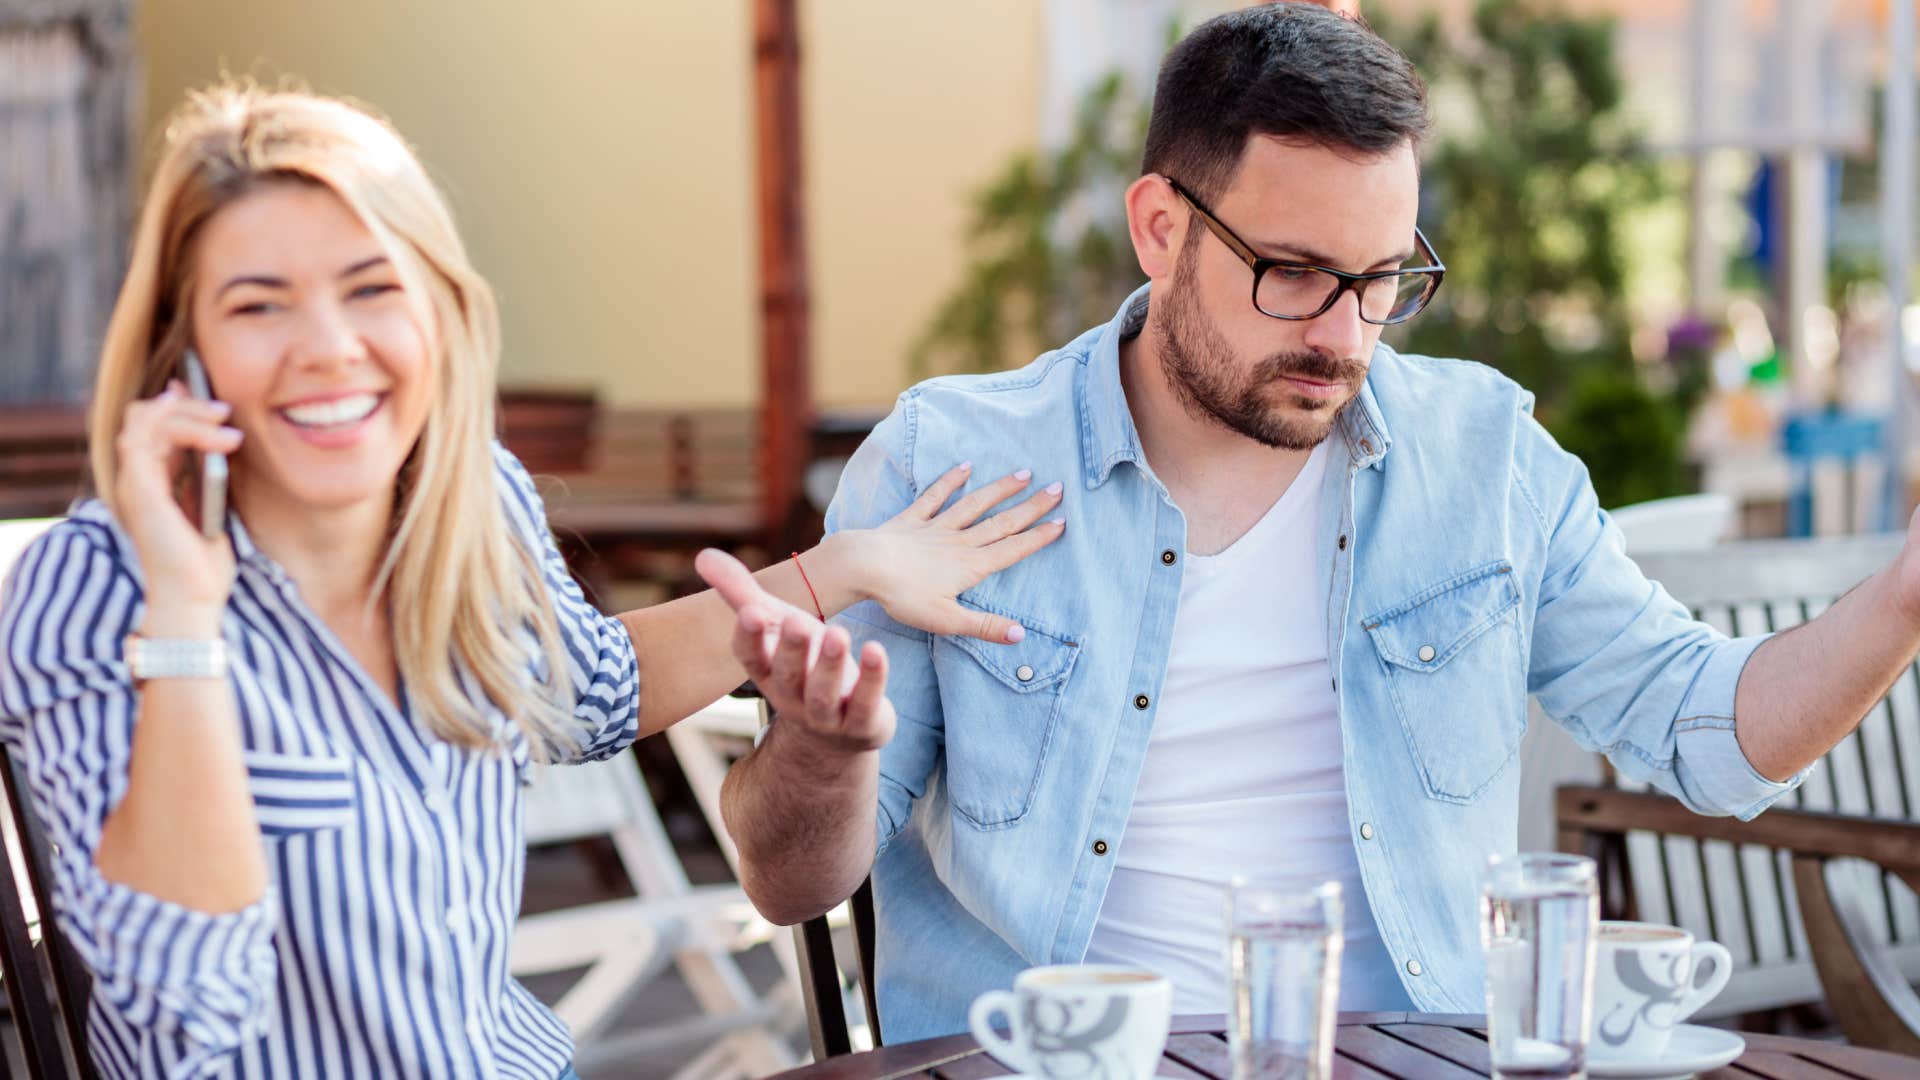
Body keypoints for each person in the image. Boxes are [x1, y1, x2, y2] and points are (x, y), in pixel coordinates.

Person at [703, 2, 1920, 1042]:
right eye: (1293, 272)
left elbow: (1707, 738)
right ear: (1162, 227)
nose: (1345, 336)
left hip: (1412, 1058)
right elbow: (791, 883)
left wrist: (1905, 598)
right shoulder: (948, 464)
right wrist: (822, 751)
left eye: (1385, 278)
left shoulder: (1485, 459)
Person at [0, 84, 1062, 1079]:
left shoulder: (468, 503)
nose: (328, 348)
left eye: (373, 289)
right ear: (181, 353)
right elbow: (182, 1017)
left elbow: (593, 689)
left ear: (440, 317)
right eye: (258, 307)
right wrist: (186, 611)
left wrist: (848, 565)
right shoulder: (97, 592)